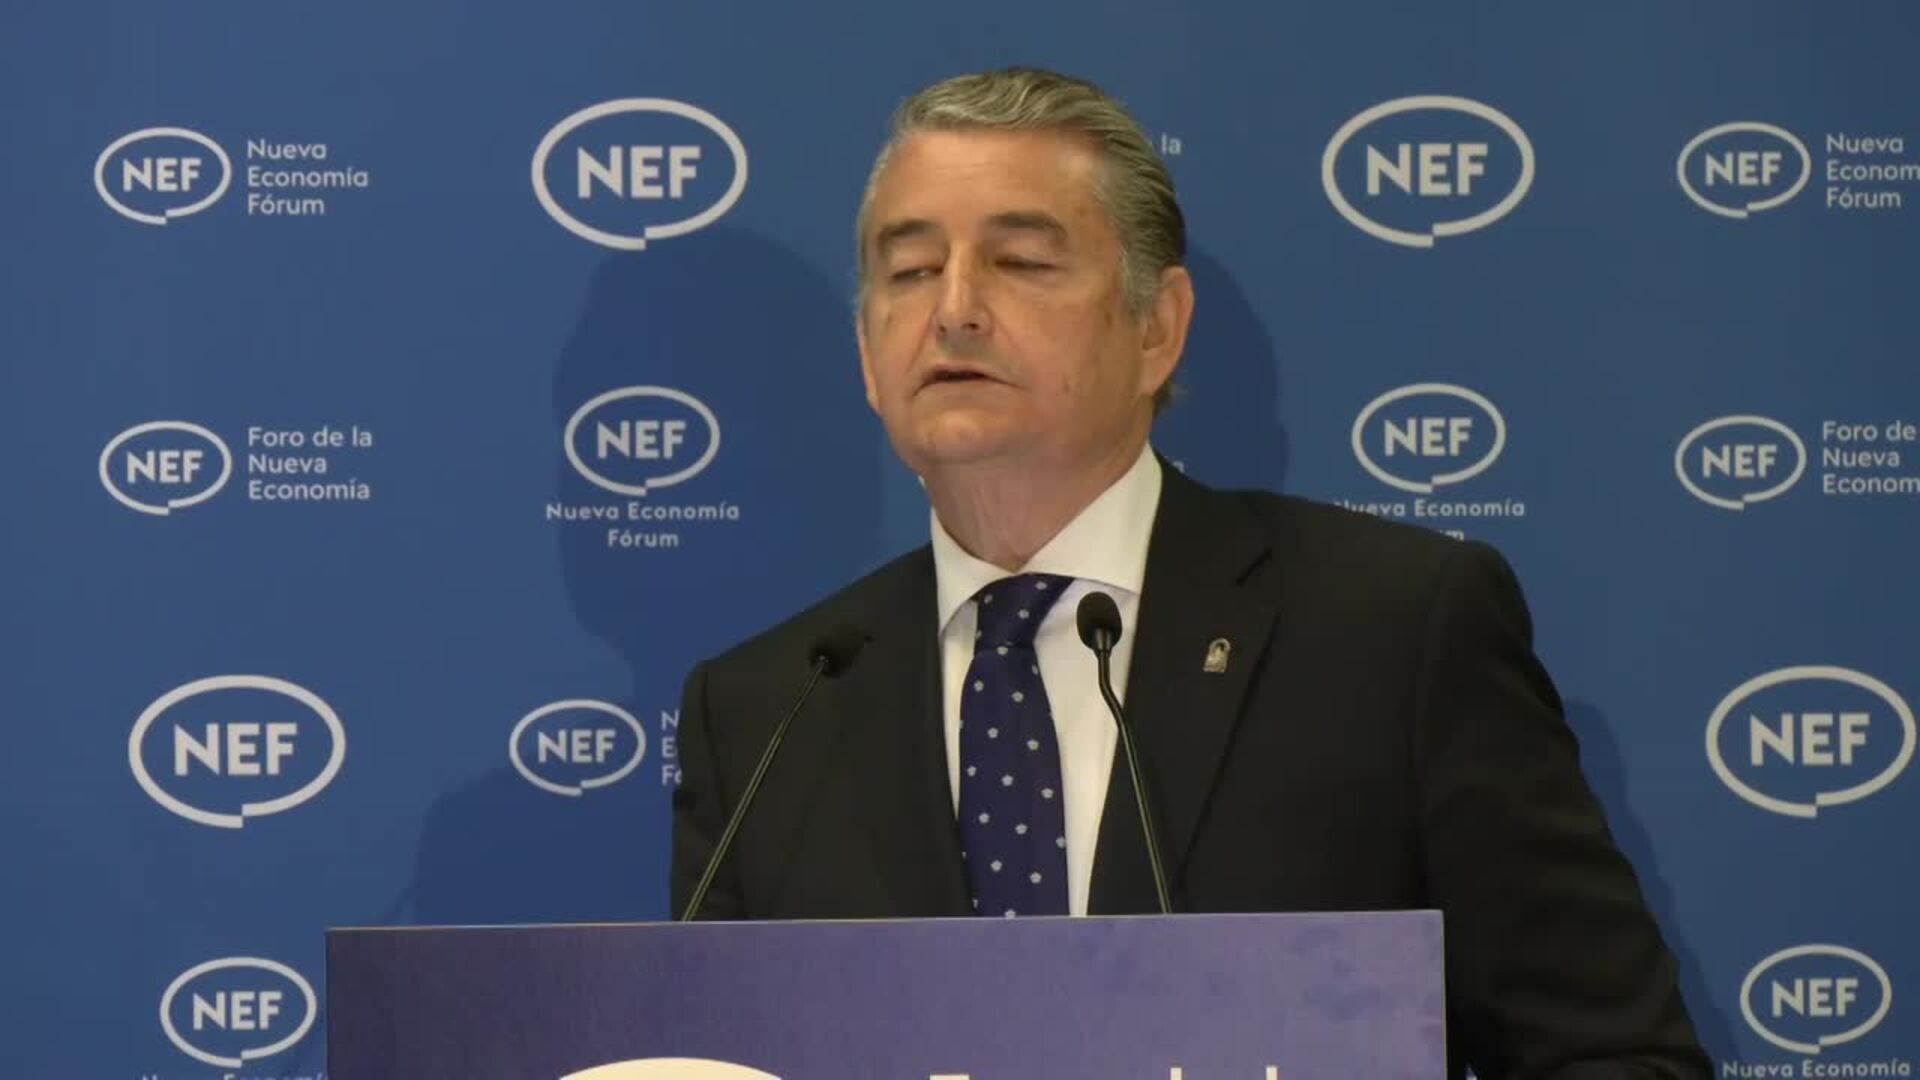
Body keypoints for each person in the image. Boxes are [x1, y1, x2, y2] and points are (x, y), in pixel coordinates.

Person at [671, 67, 1709, 1078]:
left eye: (1020, 261)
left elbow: (1618, 1056)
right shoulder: (765, 714)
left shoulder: (1393, 631)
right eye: (908, 272)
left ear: (1156, 329)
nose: (954, 309)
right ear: (867, 354)